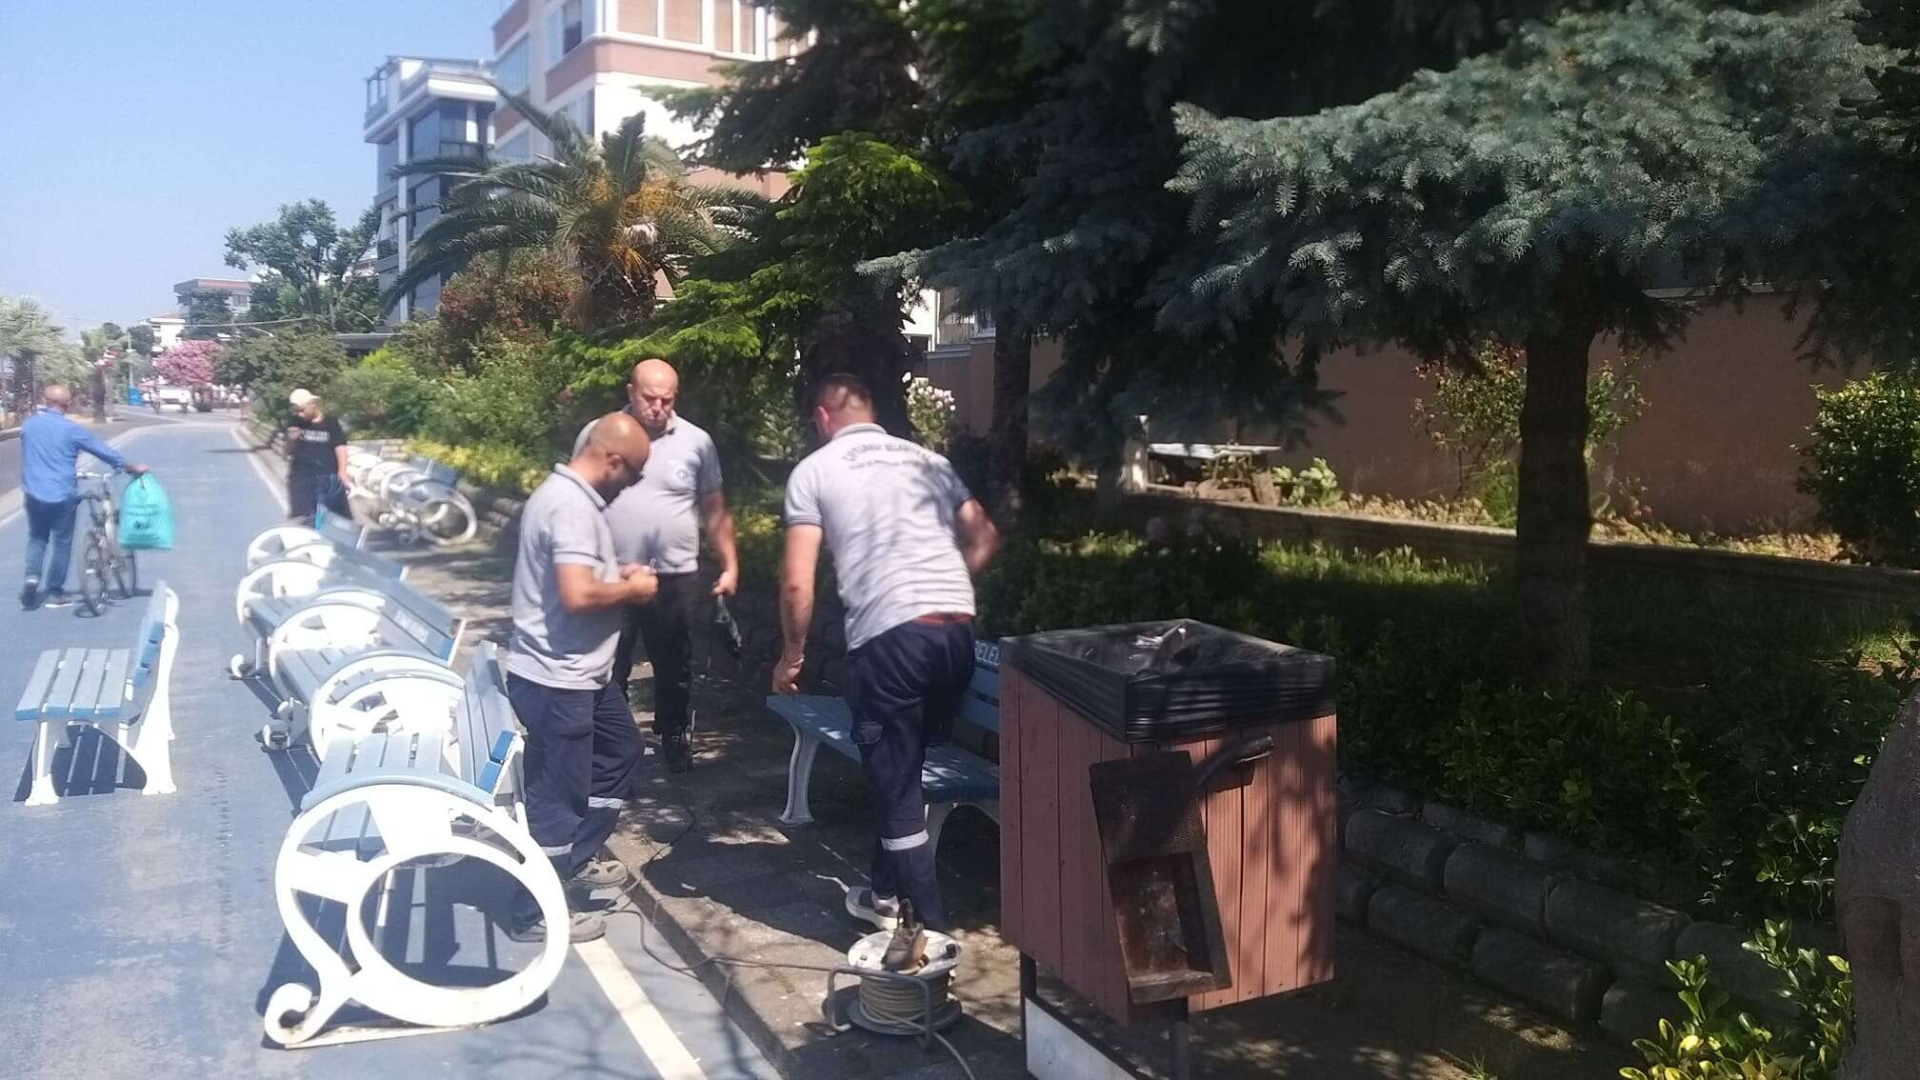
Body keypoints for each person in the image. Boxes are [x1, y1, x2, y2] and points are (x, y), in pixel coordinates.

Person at [774, 375, 1001, 933]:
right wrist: (941, 589)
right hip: (954, 635)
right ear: (871, 412)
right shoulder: (929, 461)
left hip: (891, 644)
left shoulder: (815, 470)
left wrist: (792, 656)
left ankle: (927, 936)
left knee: (896, 784)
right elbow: (985, 537)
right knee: (900, 768)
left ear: (822, 418)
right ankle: (883, 892)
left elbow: (797, 582)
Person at [504, 411, 661, 943]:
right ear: (612, 461)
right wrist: (632, 590)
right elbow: (576, 594)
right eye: (634, 473)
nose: (633, 485)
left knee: (621, 750)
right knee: (559, 794)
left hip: (579, 673)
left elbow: (577, 578)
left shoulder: (568, 498)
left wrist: (616, 574)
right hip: (558, 678)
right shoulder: (570, 506)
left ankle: (572, 859)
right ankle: (534, 910)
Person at [573, 358, 738, 774]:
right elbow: (578, 497)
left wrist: (729, 564)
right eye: (650, 398)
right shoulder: (599, 434)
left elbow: (714, 508)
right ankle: (608, 739)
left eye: (667, 400)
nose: (658, 408)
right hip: (613, 573)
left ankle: (674, 734)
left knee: (674, 661)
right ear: (631, 392)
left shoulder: (696, 442)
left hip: (673, 574)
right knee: (610, 660)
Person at [19, 385, 148, 610]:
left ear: (45, 401)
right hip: (62, 494)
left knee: (37, 538)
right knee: (62, 542)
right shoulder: (72, 430)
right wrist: (131, 467)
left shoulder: (29, 426)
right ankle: (55, 591)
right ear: (66, 405)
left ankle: (31, 579)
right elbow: (103, 452)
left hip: (34, 493)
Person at [284, 388, 350, 525]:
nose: (300, 414)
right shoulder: (295, 422)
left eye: (302, 410)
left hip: (328, 476)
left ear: (313, 405)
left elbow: (340, 447)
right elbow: (287, 452)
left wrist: (342, 472)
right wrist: (291, 440)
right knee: (302, 517)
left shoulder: (331, 423)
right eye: (297, 411)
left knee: (337, 517)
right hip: (301, 477)